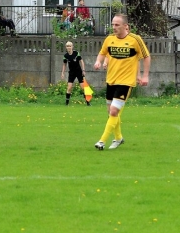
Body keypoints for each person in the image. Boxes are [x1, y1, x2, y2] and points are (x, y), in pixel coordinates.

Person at [93, 13, 150, 150]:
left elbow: (146, 57)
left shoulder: (135, 39)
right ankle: (118, 138)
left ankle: (102, 141)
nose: (114, 27)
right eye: (113, 24)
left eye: (117, 25)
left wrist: (145, 76)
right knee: (111, 112)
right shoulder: (109, 39)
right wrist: (98, 61)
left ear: (126, 26)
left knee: (113, 111)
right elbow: (102, 52)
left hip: (126, 82)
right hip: (111, 80)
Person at [61, 41, 90, 106]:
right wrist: (62, 73)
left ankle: (88, 103)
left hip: (79, 72)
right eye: (67, 46)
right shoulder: (65, 56)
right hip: (71, 73)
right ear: (66, 47)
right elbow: (64, 65)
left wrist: (83, 70)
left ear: (72, 47)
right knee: (69, 87)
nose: (69, 47)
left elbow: (81, 62)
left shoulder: (76, 53)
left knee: (83, 87)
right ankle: (66, 104)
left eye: (70, 46)